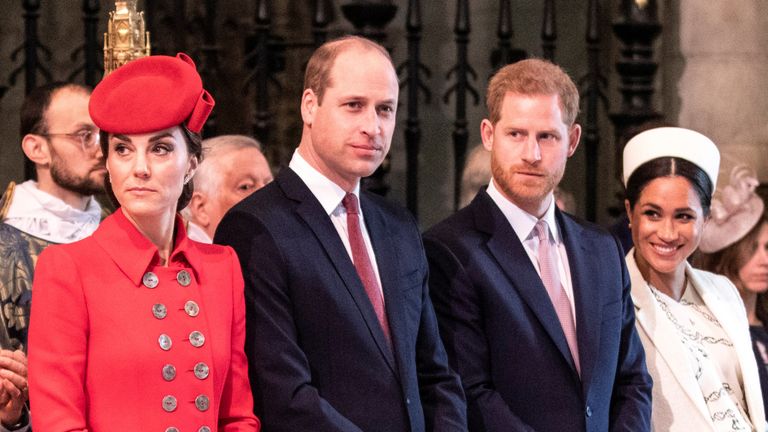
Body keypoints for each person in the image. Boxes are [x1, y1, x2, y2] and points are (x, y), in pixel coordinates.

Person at [215, 35, 467, 432]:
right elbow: (283, 393)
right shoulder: (255, 227)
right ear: (309, 106)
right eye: (354, 106)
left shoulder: (399, 227)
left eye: (385, 109)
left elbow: (436, 375)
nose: (373, 126)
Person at [27, 53, 260, 431]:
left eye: (160, 148)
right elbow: (59, 422)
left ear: (192, 165)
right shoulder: (68, 269)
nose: (139, 168)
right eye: (122, 149)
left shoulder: (221, 267)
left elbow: (237, 415)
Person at [423, 58, 652, 432]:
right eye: (516, 134)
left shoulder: (602, 249)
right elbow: (469, 390)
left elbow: (632, 379)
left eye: (547, 136)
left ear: (573, 140)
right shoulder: (448, 250)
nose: (532, 154)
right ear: (488, 134)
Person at [622, 127, 765, 430]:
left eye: (684, 216)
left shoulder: (724, 291)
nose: (668, 233)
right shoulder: (611, 299)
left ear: (707, 218)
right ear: (630, 212)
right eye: (652, 214)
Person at [0, 82, 104, 430]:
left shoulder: (121, 232)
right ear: (36, 149)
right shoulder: (5, 237)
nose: (101, 149)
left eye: (105, 135)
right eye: (84, 135)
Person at [697, 164, 768, 418]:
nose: (764, 260)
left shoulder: (763, 327)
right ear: (730, 252)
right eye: (752, 249)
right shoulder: (710, 330)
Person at [182, 134, 272, 243]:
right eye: (246, 187)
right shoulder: (185, 258)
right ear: (200, 208)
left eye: (269, 184)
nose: (267, 196)